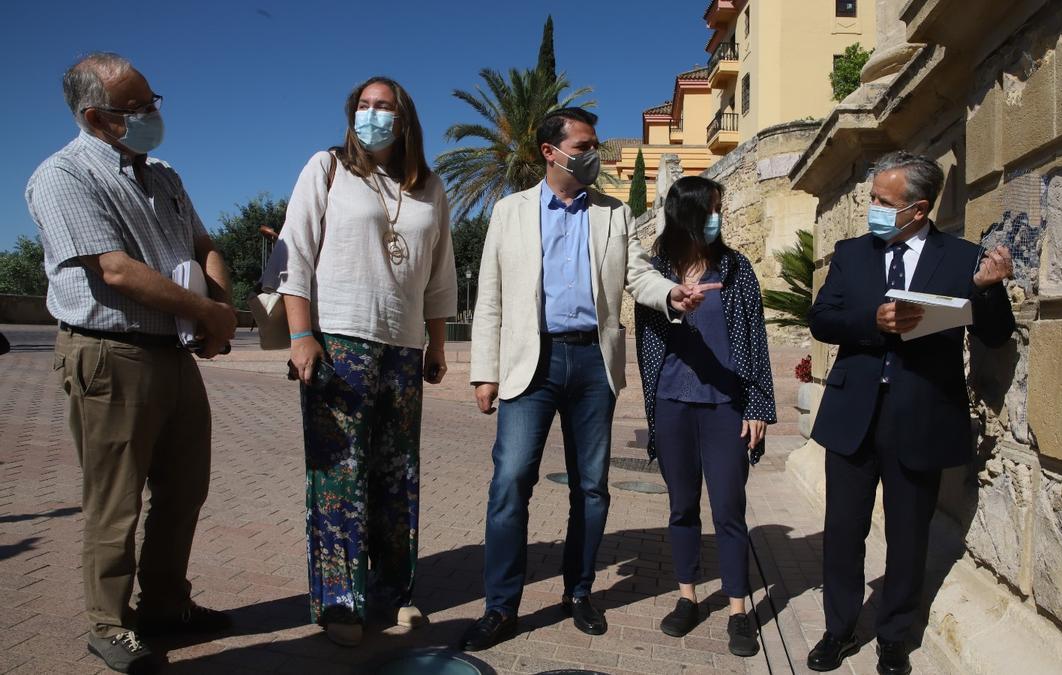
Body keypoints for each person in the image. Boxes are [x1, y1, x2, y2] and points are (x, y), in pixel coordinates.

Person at [461, 107, 715, 651]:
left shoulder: (613, 214)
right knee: (510, 483)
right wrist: (484, 372)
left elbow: (638, 274)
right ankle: (500, 606)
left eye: (595, 144)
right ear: (552, 152)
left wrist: (670, 295)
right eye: (584, 144)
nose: (594, 154)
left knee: (591, 487)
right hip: (532, 362)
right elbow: (490, 298)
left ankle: (578, 592)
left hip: (593, 365)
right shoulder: (510, 212)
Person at [26, 52, 237, 674]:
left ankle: (166, 604)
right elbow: (114, 270)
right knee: (116, 500)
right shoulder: (63, 177)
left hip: (173, 353)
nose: (152, 114)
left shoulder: (164, 175)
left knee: (184, 490)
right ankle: (109, 623)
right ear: (95, 116)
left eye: (153, 100)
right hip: (110, 355)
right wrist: (207, 314)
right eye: (138, 107)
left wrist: (216, 306)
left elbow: (205, 244)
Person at [805, 151, 1015, 675]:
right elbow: (822, 318)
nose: (872, 207)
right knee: (843, 531)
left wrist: (989, 292)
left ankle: (894, 637)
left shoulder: (963, 257)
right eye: (873, 197)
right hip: (854, 416)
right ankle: (838, 629)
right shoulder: (851, 254)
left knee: (908, 537)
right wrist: (872, 321)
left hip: (920, 416)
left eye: (882, 201)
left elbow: (993, 333)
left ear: (917, 209)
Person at [273, 76, 457, 647]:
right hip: (340, 340)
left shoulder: (429, 187)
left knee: (397, 475)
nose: (372, 114)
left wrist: (437, 345)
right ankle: (340, 604)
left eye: (384, 107)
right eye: (364, 106)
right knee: (339, 474)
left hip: (403, 350)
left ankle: (393, 593)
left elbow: (439, 273)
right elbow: (294, 254)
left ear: (405, 119)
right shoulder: (326, 168)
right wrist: (302, 335)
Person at [633, 176, 776, 657]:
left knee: (730, 510)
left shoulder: (737, 269)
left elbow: (756, 340)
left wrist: (757, 405)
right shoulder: (656, 273)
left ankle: (738, 611)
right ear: (691, 212)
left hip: (726, 407)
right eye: (715, 208)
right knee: (681, 507)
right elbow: (647, 342)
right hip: (673, 403)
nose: (722, 216)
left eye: (723, 207)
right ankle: (687, 597)